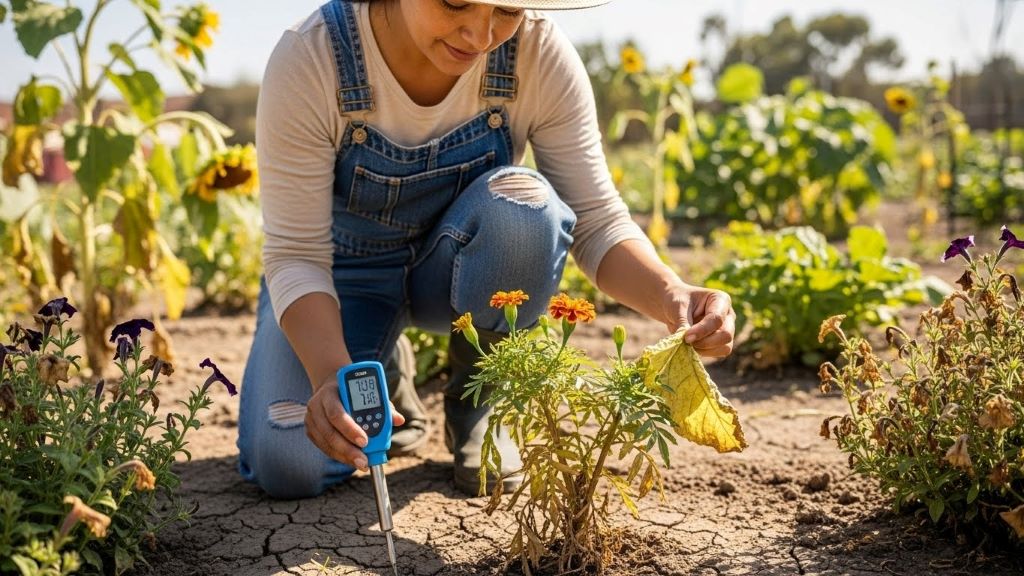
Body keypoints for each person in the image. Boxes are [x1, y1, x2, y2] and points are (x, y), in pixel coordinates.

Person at [237, 0, 736, 500]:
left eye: (507, 9)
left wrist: (673, 293)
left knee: (525, 203)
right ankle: (376, 363)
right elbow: (297, 255)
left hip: (465, 279)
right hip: (345, 288)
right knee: (290, 461)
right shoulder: (313, 57)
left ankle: (482, 402)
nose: (480, 35)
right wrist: (331, 376)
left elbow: (597, 221)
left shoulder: (537, 52)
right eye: (456, 2)